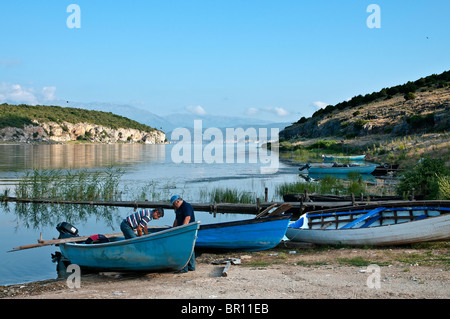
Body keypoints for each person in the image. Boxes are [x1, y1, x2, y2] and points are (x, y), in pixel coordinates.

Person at [170, 195, 196, 273]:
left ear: (177, 201)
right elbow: (176, 220)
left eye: (174, 204)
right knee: (189, 247)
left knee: (184, 248)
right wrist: (173, 230)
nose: (174, 206)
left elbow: (187, 218)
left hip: (188, 230)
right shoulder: (178, 209)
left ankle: (185, 268)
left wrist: (183, 230)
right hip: (183, 230)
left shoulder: (186, 206)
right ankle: (191, 266)